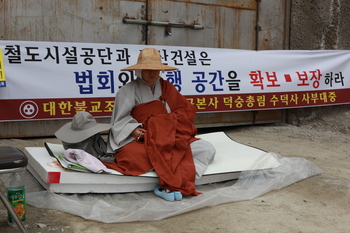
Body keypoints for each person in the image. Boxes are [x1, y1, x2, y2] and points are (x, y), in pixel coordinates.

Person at [104, 48, 216, 201]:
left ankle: (179, 181)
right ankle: (173, 178)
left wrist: (166, 124)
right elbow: (119, 120)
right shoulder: (127, 90)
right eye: (148, 69)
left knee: (206, 148)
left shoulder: (167, 87)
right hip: (144, 139)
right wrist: (134, 130)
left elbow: (185, 111)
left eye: (156, 70)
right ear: (140, 70)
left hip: (169, 137)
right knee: (131, 159)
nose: (153, 73)